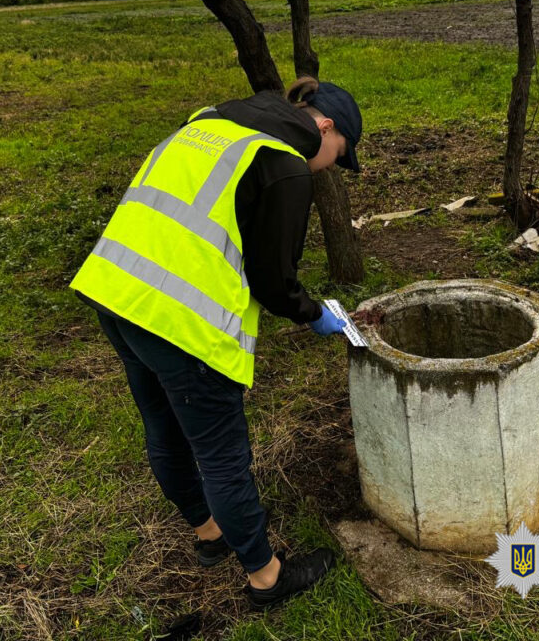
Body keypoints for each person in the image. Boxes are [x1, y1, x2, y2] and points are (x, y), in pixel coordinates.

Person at [69, 76, 363, 610]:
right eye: (337, 157)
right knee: (222, 457)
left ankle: (210, 536)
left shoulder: (211, 121)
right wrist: (315, 314)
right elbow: (274, 283)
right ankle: (267, 579)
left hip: (113, 288)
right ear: (325, 127)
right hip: (180, 320)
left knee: (163, 428)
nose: (327, 170)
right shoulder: (284, 164)